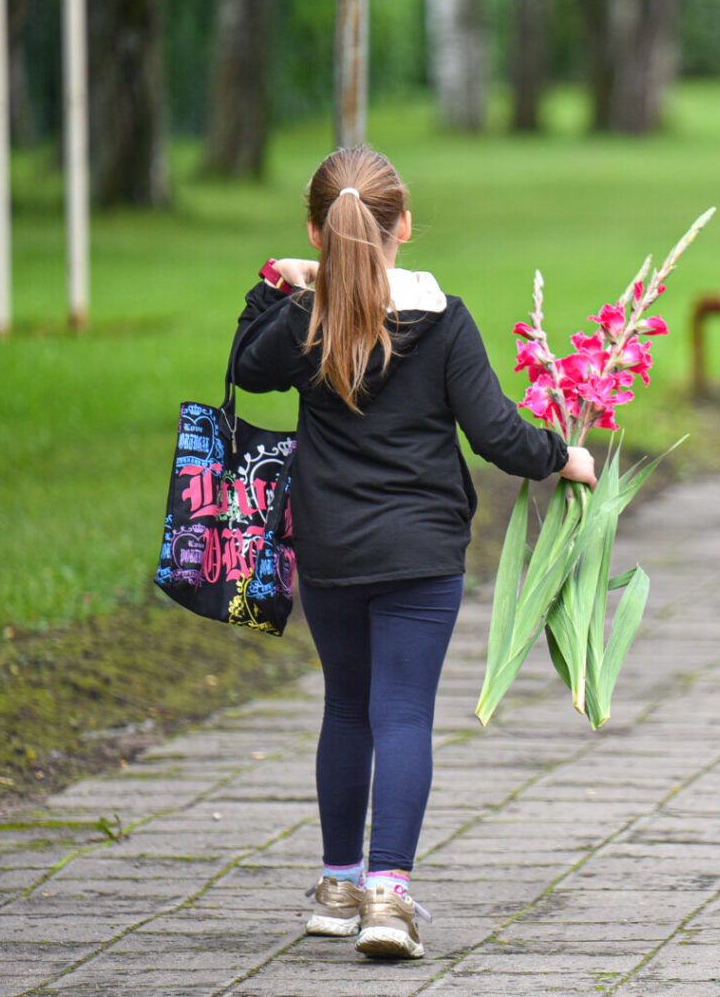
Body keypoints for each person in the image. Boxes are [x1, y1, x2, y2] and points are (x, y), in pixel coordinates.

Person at [233, 148, 597, 959]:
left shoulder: (307, 320)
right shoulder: (445, 318)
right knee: (402, 713)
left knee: (346, 708)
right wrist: (561, 456)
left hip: (329, 547)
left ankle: (336, 886)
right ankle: (388, 900)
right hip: (422, 550)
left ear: (316, 231)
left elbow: (244, 370)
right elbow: (496, 433)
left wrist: (280, 278)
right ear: (402, 225)